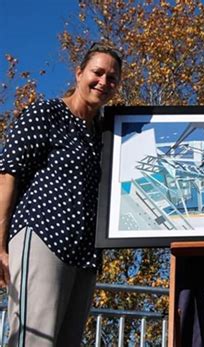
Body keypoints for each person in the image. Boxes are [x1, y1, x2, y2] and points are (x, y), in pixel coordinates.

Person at [0, 42, 122, 346]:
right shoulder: (47, 113)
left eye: (112, 78)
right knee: (35, 338)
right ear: (79, 72)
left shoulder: (103, 135)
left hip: (85, 255)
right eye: (98, 72)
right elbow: (7, 175)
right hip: (43, 238)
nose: (103, 82)